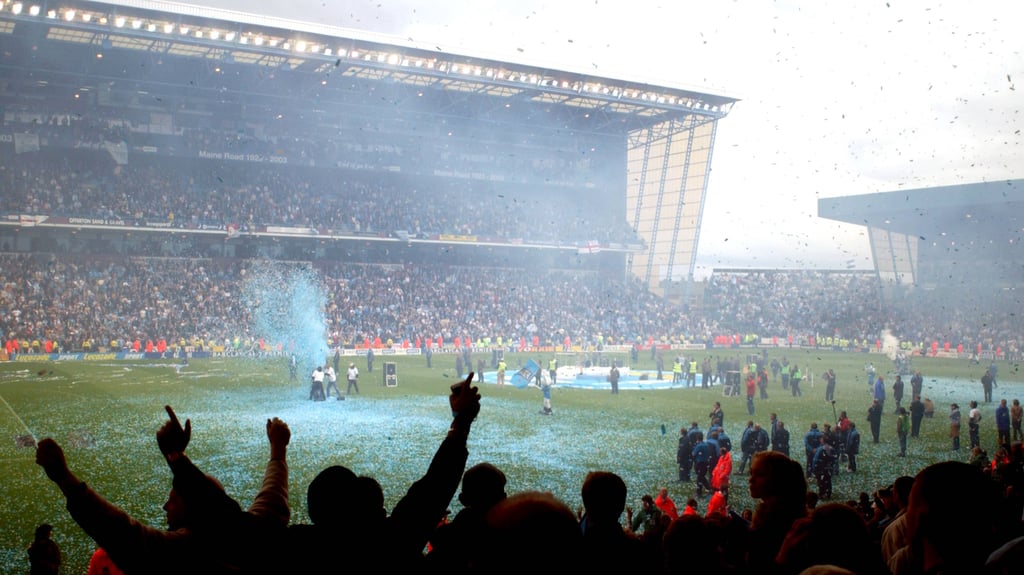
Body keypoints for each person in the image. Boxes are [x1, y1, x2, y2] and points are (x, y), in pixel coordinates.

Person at [35, 407, 291, 575]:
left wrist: (64, 478)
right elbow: (272, 500)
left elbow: (121, 534)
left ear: (197, 510)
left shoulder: (187, 553)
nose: (165, 506)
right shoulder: (254, 536)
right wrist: (278, 448)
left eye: (174, 500)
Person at [283, 372, 480, 572]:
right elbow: (435, 487)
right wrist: (461, 419)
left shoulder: (298, 548)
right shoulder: (392, 543)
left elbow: (268, 513)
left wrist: (278, 451)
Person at [747, 451, 808, 572]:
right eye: (751, 473)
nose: (751, 479)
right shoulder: (778, 512)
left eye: (759, 475)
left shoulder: (775, 521)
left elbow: (758, 565)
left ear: (778, 479)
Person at [811, 435, 836, 499]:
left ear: (823, 441)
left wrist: (814, 468)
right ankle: (828, 493)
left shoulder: (820, 449)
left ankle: (822, 494)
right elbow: (834, 459)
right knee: (828, 481)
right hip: (829, 468)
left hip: (821, 468)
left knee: (821, 482)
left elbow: (816, 460)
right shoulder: (831, 448)